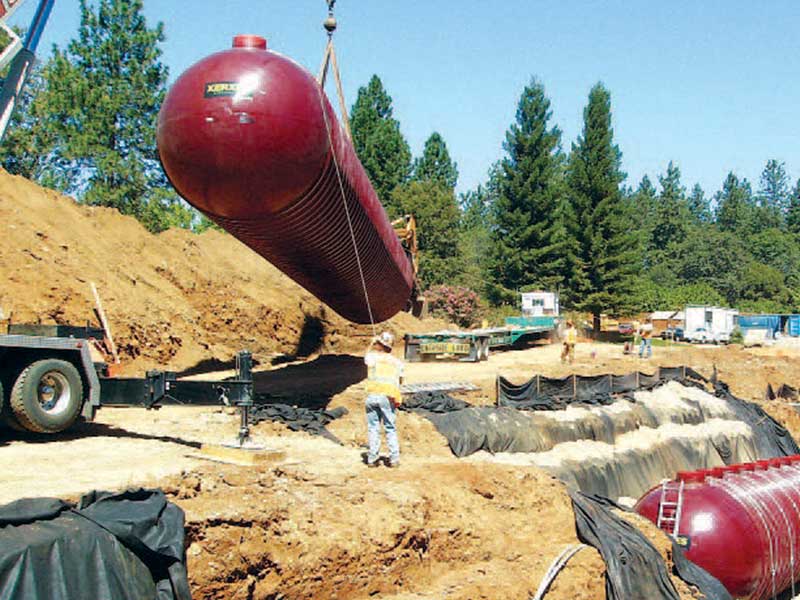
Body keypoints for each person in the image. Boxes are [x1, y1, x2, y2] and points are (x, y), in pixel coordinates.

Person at [364, 331, 404, 468]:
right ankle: (394, 459)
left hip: (372, 396)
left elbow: (366, 357)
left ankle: (372, 459)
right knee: (390, 428)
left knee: (373, 428)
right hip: (388, 397)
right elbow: (400, 380)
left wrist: (372, 342)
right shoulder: (397, 363)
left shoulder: (372, 358)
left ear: (379, 344)